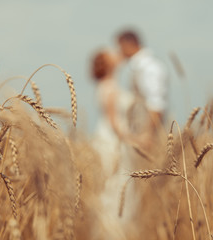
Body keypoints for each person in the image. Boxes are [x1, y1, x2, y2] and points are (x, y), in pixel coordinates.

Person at [90, 49, 137, 239]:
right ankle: (111, 232)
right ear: (107, 64)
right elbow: (113, 123)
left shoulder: (110, 84)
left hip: (114, 140)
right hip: (112, 141)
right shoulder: (108, 86)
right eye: (112, 55)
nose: (117, 56)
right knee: (115, 185)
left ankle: (115, 230)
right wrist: (136, 139)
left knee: (117, 185)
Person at [117, 30, 168, 149]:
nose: (120, 52)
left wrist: (148, 134)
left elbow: (156, 103)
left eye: (121, 47)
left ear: (128, 44)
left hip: (147, 132)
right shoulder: (139, 66)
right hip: (140, 130)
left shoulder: (150, 68)